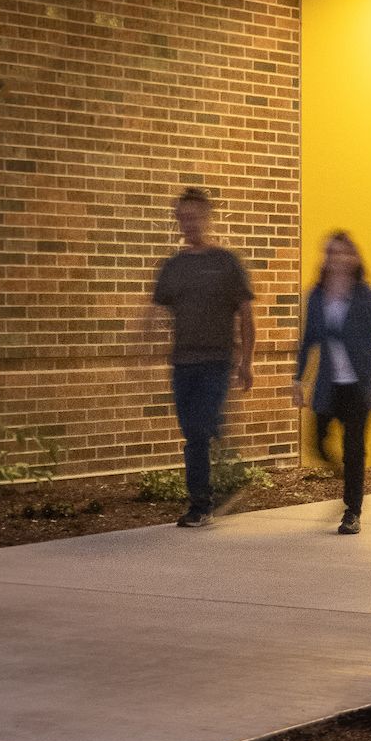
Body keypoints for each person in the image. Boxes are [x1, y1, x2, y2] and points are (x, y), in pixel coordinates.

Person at [137, 184, 255, 523]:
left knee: (203, 428)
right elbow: (155, 311)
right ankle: (205, 501)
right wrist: (142, 349)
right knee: (194, 433)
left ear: (207, 218)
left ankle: (203, 503)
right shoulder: (173, 267)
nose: (189, 224)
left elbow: (246, 313)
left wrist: (247, 361)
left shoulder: (226, 263)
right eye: (182, 218)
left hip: (217, 361)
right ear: (177, 221)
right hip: (183, 363)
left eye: (195, 217)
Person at [291, 228, 371, 533]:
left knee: (354, 449)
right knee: (317, 444)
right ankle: (346, 477)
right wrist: (299, 380)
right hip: (329, 383)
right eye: (332, 252)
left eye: (343, 252)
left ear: (354, 258)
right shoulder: (316, 296)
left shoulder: (364, 295)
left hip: (359, 383)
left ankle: (352, 511)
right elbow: (308, 341)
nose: (337, 258)